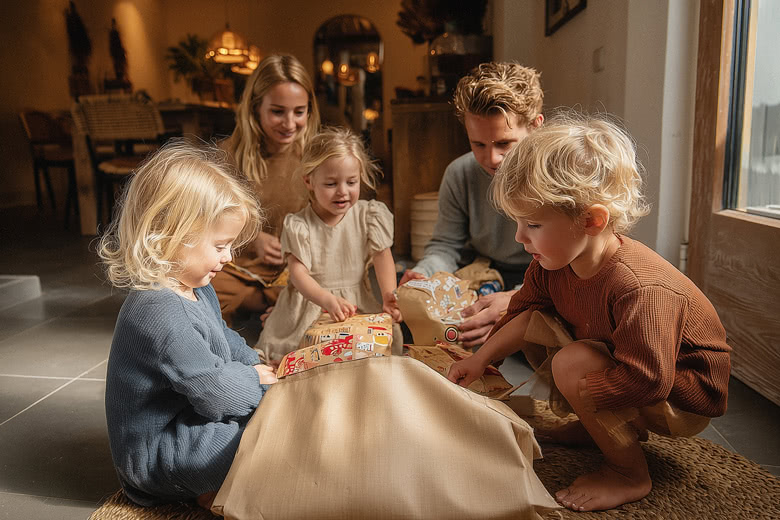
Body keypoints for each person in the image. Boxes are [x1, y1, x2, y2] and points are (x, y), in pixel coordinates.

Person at [446, 113, 732, 512]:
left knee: (572, 363)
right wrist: (479, 359)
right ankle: (595, 426)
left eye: (532, 223)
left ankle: (629, 473)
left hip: (680, 392)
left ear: (592, 221)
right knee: (546, 330)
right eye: (516, 222)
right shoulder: (551, 263)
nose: (519, 237)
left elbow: (649, 378)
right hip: (632, 364)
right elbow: (526, 314)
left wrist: (584, 394)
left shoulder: (640, 287)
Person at [97, 141, 278, 507]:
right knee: (259, 438)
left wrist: (254, 363)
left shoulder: (195, 284)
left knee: (261, 422)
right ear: (171, 236)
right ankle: (202, 492)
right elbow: (216, 394)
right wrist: (258, 384)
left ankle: (214, 485)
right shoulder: (158, 312)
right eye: (220, 245)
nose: (228, 257)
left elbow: (224, 338)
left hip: (189, 416)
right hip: (157, 454)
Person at [400, 62, 544, 347]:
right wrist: (424, 273)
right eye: (478, 144)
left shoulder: (557, 174)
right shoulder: (460, 173)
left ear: (536, 127)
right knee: (414, 321)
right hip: (483, 270)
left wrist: (515, 299)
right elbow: (445, 245)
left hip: (544, 275)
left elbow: (567, 267)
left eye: (505, 143)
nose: (491, 159)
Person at [257, 127, 402, 363]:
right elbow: (297, 273)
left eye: (351, 182)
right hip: (312, 302)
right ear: (309, 181)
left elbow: (382, 256)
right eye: (331, 183)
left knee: (370, 349)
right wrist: (325, 299)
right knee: (305, 352)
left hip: (355, 300)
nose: (342, 192)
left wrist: (388, 295)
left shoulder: (369, 215)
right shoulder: (299, 224)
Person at [213, 54, 321, 326]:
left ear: (310, 109)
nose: (289, 123)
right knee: (194, 287)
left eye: (299, 112)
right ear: (255, 108)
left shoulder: (318, 157)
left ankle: (268, 302)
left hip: (296, 270)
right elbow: (209, 218)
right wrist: (253, 237)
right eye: (277, 111)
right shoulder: (227, 155)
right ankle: (266, 303)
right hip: (237, 269)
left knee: (320, 285)